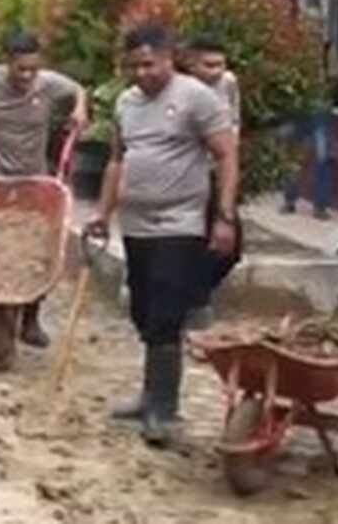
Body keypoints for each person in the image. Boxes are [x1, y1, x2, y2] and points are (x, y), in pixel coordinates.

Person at [86, 23, 239, 448]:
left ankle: (165, 411)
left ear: (170, 57)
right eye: (133, 66)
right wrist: (102, 212)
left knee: (166, 315)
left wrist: (224, 216)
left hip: (181, 224)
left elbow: (226, 155)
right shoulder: (125, 102)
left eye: (149, 64)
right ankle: (149, 395)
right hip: (135, 226)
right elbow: (118, 161)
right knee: (143, 309)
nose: (141, 73)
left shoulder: (196, 98)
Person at [0, 31, 88, 346]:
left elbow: (78, 88)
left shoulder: (48, 84)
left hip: (33, 183)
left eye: (32, 69)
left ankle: (30, 320)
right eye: (20, 69)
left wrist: (80, 109)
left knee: (34, 252)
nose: (27, 76)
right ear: (6, 63)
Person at [186, 35, 244, 328]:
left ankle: (195, 292)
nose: (217, 71)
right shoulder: (181, 92)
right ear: (191, 64)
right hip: (188, 176)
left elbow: (234, 121)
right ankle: (194, 301)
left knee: (230, 247)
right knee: (192, 240)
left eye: (221, 64)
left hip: (221, 171)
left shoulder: (229, 84)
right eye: (209, 65)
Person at [280, 29, 338, 220]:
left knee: (322, 157)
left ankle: (320, 205)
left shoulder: (328, 50)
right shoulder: (294, 51)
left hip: (319, 111)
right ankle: (289, 199)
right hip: (297, 110)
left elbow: (335, 77)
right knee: (293, 156)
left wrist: (323, 95)